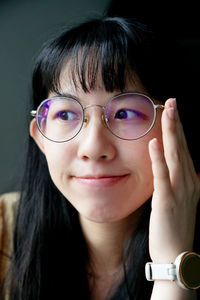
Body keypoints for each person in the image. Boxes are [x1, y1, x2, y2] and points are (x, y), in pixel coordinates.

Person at [0, 16, 199, 300]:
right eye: (65, 114)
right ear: (40, 136)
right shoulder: (4, 229)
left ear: (176, 126)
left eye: (125, 113)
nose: (93, 148)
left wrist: (173, 266)